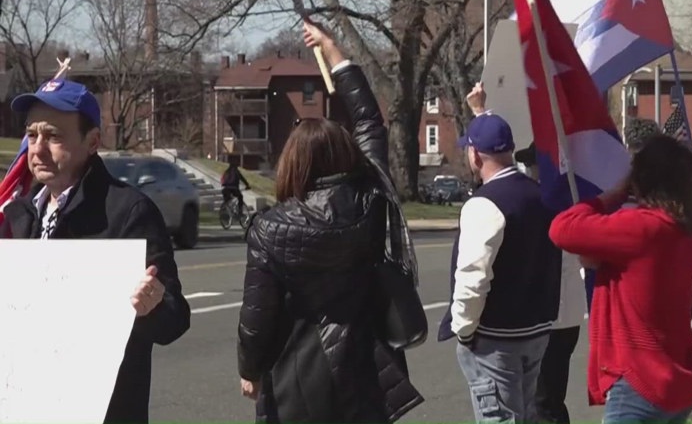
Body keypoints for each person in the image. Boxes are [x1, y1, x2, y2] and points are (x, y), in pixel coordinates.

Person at [236, 23, 422, 423]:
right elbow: (370, 121)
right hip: (366, 364)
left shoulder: (270, 228)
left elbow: (257, 316)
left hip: (297, 375)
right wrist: (335, 52)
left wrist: (249, 369)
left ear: (293, 163)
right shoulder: (372, 197)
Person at [3, 78, 191, 423]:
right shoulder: (19, 215)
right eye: (32, 135)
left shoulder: (128, 212)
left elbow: (174, 319)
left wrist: (152, 305)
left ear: (92, 142)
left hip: (104, 411)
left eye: (54, 136)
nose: (38, 149)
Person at [549, 134, 692, 424]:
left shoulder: (641, 227)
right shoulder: (681, 232)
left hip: (640, 381)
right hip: (675, 378)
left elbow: (561, 228)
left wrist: (611, 195)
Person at [464, 81, 585, 424]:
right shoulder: (551, 194)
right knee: (541, 401)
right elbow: (495, 162)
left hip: (548, 317)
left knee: (541, 405)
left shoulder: (552, 200)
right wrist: (481, 114)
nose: (530, 172)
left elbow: (499, 175)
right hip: (557, 315)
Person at [440, 108, 562, 424]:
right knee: (526, 413)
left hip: (496, 336)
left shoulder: (485, 203)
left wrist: (463, 328)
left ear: (476, 155)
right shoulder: (541, 195)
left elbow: (473, 275)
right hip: (535, 328)